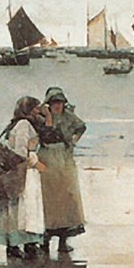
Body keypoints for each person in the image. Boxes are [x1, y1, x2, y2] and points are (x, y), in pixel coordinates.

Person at [0, 96, 47, 260]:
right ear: (28, 110)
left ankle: (16, 245)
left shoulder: (15, 124)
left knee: (17, 209)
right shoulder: (24, 125)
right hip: (23, 172)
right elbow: (20, 152)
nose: (39, 111)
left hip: (17, 172)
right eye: (36, 108)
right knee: (24, 208)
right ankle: (22, 245)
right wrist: (35, 162)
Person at [38, 87, 86, 254]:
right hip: (47, 157)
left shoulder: (69, 116)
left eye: (59, 102)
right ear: (49, 104)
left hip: (64, 158)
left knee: (66, 198)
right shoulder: (42, 116)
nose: (57, 105)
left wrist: (73, 141)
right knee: (49, 198)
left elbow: (81, 127)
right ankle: (45, 240)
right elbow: (43, 134)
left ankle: (63, 241)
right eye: (54, 102)